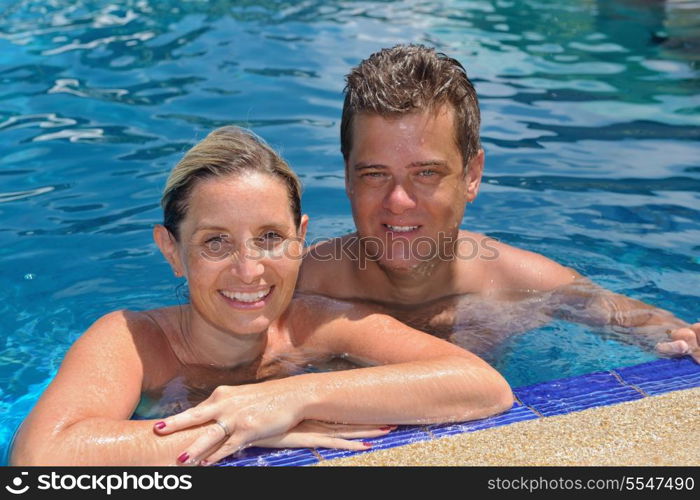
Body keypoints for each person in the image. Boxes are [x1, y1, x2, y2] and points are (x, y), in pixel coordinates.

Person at [10, 126, 513, 466]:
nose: (249, 270)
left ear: (301, 238)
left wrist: (288, 397)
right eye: (215, 242)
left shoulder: (313, 325)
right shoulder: (133, 341)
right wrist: (241, 428)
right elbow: (38, 457)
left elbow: (482, 386)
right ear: (171, 251)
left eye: (271, 238)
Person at [297, 44, 699, 361]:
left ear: (472, 176)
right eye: (375, 174)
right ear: (348, 178)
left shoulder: (521, 283)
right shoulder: (299, 284)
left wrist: (681, 335)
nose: (398, 201)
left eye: (426, 173)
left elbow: (635, 319)